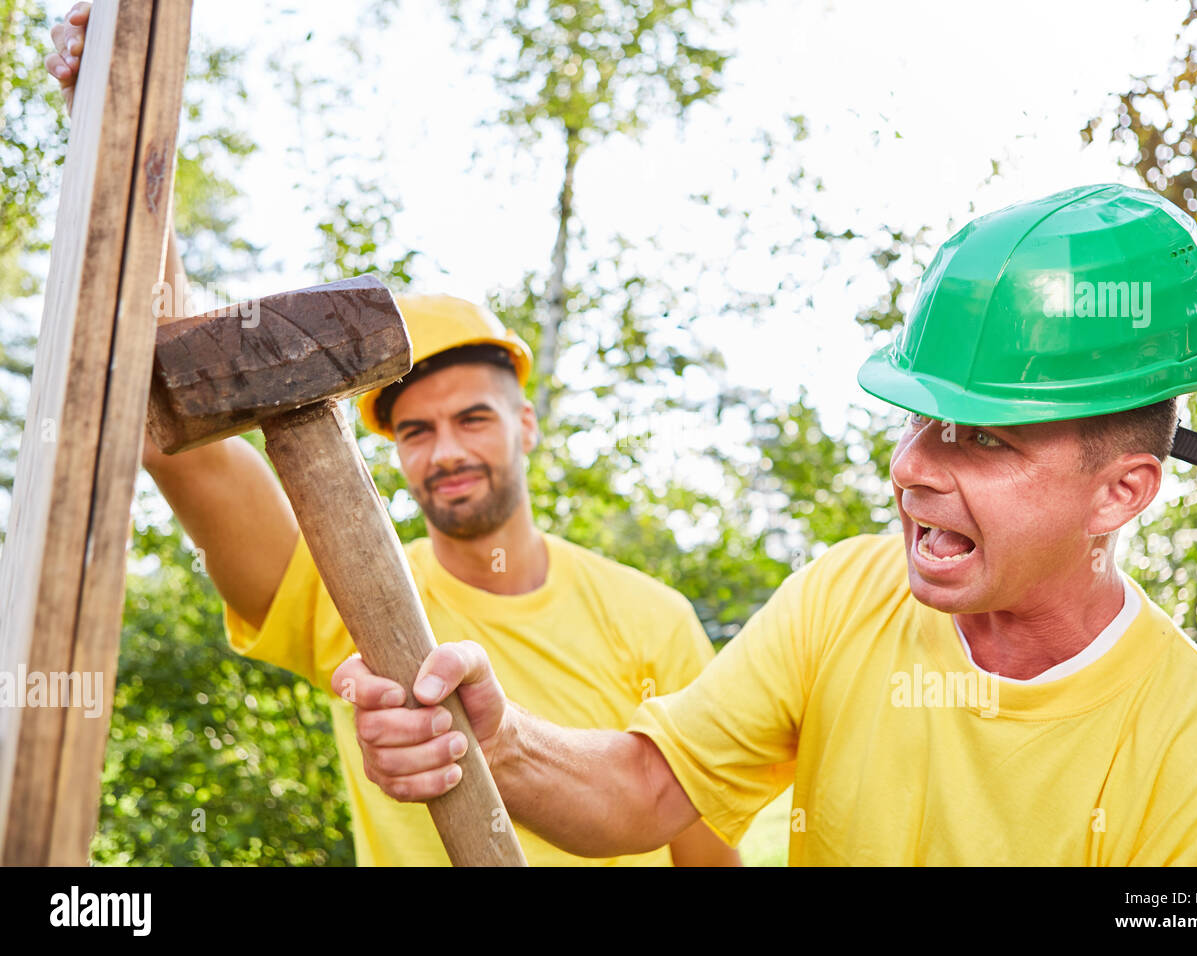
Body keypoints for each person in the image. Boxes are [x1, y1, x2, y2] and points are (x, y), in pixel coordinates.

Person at [338, 184, 1197, 865]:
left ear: (1122, 493)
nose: (913, 466)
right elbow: (649, 793)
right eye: (923, 420)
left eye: (987, 442)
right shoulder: (848, 594)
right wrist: (496, 742)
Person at [46, 2, 739, 867]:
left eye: (472, 418)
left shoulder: (652, 618)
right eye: (415, 429)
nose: (445, 449)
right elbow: (163, 422)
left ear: (526, 425)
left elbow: (707, 846)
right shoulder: (355, 593)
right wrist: (122, 130)